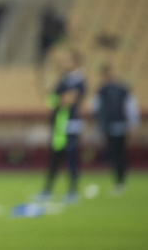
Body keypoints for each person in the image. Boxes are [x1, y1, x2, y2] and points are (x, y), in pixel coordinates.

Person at [38, 49, 86, 204]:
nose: (65, 63)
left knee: (71, 158)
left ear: (75, 62)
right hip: (59, 124)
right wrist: (57, 98)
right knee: (54, 158)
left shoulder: (79, 80)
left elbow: (68, 100)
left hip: (71, 124)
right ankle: (47, 190)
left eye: (68, 60)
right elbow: (51, 100)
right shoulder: (63, 80)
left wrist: (58, 99)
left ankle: (72, 191)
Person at [91, 64, 140, 194]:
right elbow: (95, 108)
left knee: (119, 154)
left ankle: (120, 181)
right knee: (115, 154)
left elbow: (130, 107)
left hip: (119, 125)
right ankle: (119, 181)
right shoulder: (104, 90)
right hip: (111, 126)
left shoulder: (120, 90)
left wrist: (133, 124)